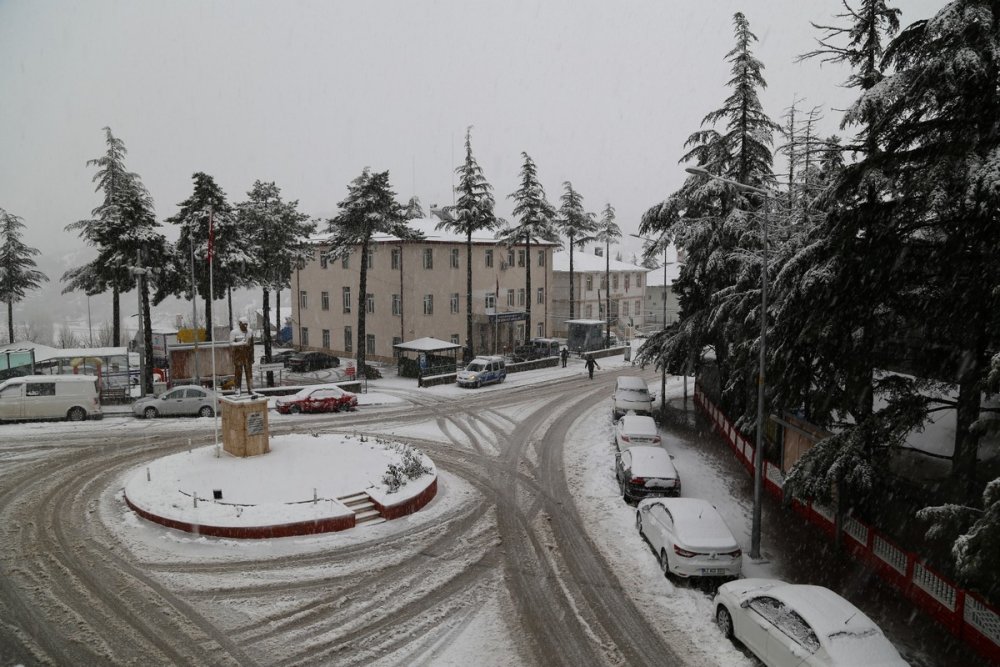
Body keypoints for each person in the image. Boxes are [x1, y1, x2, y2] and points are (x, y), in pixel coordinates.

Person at [230, 317, 255, 394]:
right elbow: (231, 343)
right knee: (238, 374)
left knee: (249, 374)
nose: (245, 326)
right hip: (239, 357)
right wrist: (241, 343)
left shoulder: (250, 332)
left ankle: (250, 389)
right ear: (239, 324)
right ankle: (237, 390)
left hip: (247, 357)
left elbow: (252, 346)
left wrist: (252, 357)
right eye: (243, 324)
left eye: (246, 324)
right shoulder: (234, 332)